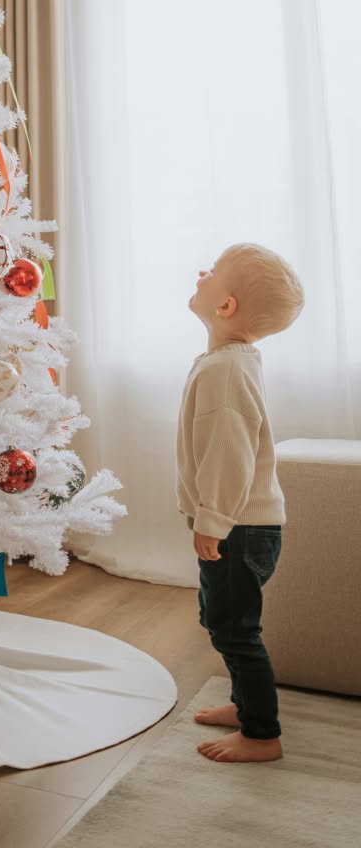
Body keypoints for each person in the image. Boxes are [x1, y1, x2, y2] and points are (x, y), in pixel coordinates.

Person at [176, 243, 304, 763]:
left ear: (225, 305)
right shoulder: (229, 362)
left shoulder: (225, 372)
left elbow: (230, 455)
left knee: (235, 629)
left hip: (239, 527)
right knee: (221, 619)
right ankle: (245, 702)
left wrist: (213, 519)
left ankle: (261, 734)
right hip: (245, 526)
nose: (201, 272)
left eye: (212, 271)